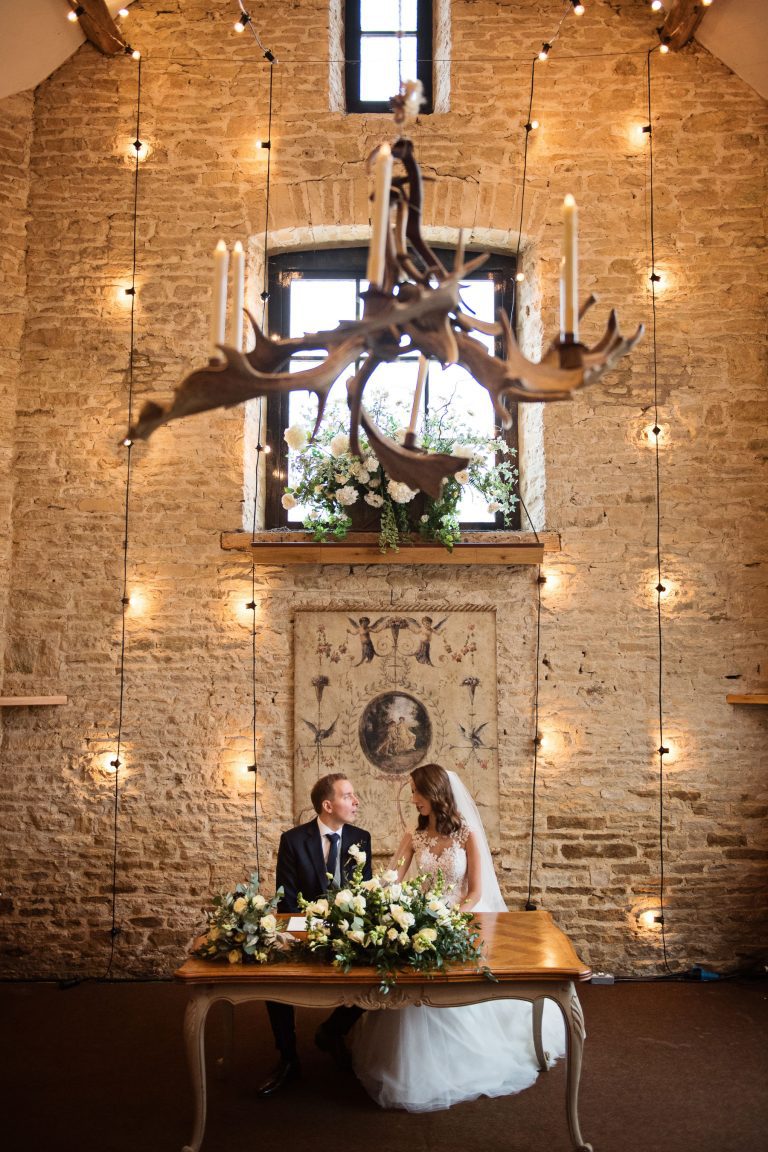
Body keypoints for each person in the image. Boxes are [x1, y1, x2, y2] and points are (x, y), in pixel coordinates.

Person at [350, 763, 566, 1112]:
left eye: (417, 791)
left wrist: (451, 918)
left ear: (434, 793)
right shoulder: (414, 835)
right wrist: (368, 893)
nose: (413, 798)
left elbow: (476, 891)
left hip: (458, 919)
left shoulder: (467, 835)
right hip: (418, 919)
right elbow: (392, 876)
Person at [257, 773, 372, 1096]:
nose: (355, 801)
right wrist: (307, 932)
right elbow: (286, 900)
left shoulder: (361, 838)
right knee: (274, 976)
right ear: (327, 805)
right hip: (304, 930)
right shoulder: (293, 840)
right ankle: (288, 1059)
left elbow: (365, 895)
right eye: (348, 796)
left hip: (349, 932)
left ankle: (332, 1032)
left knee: (381, 972)